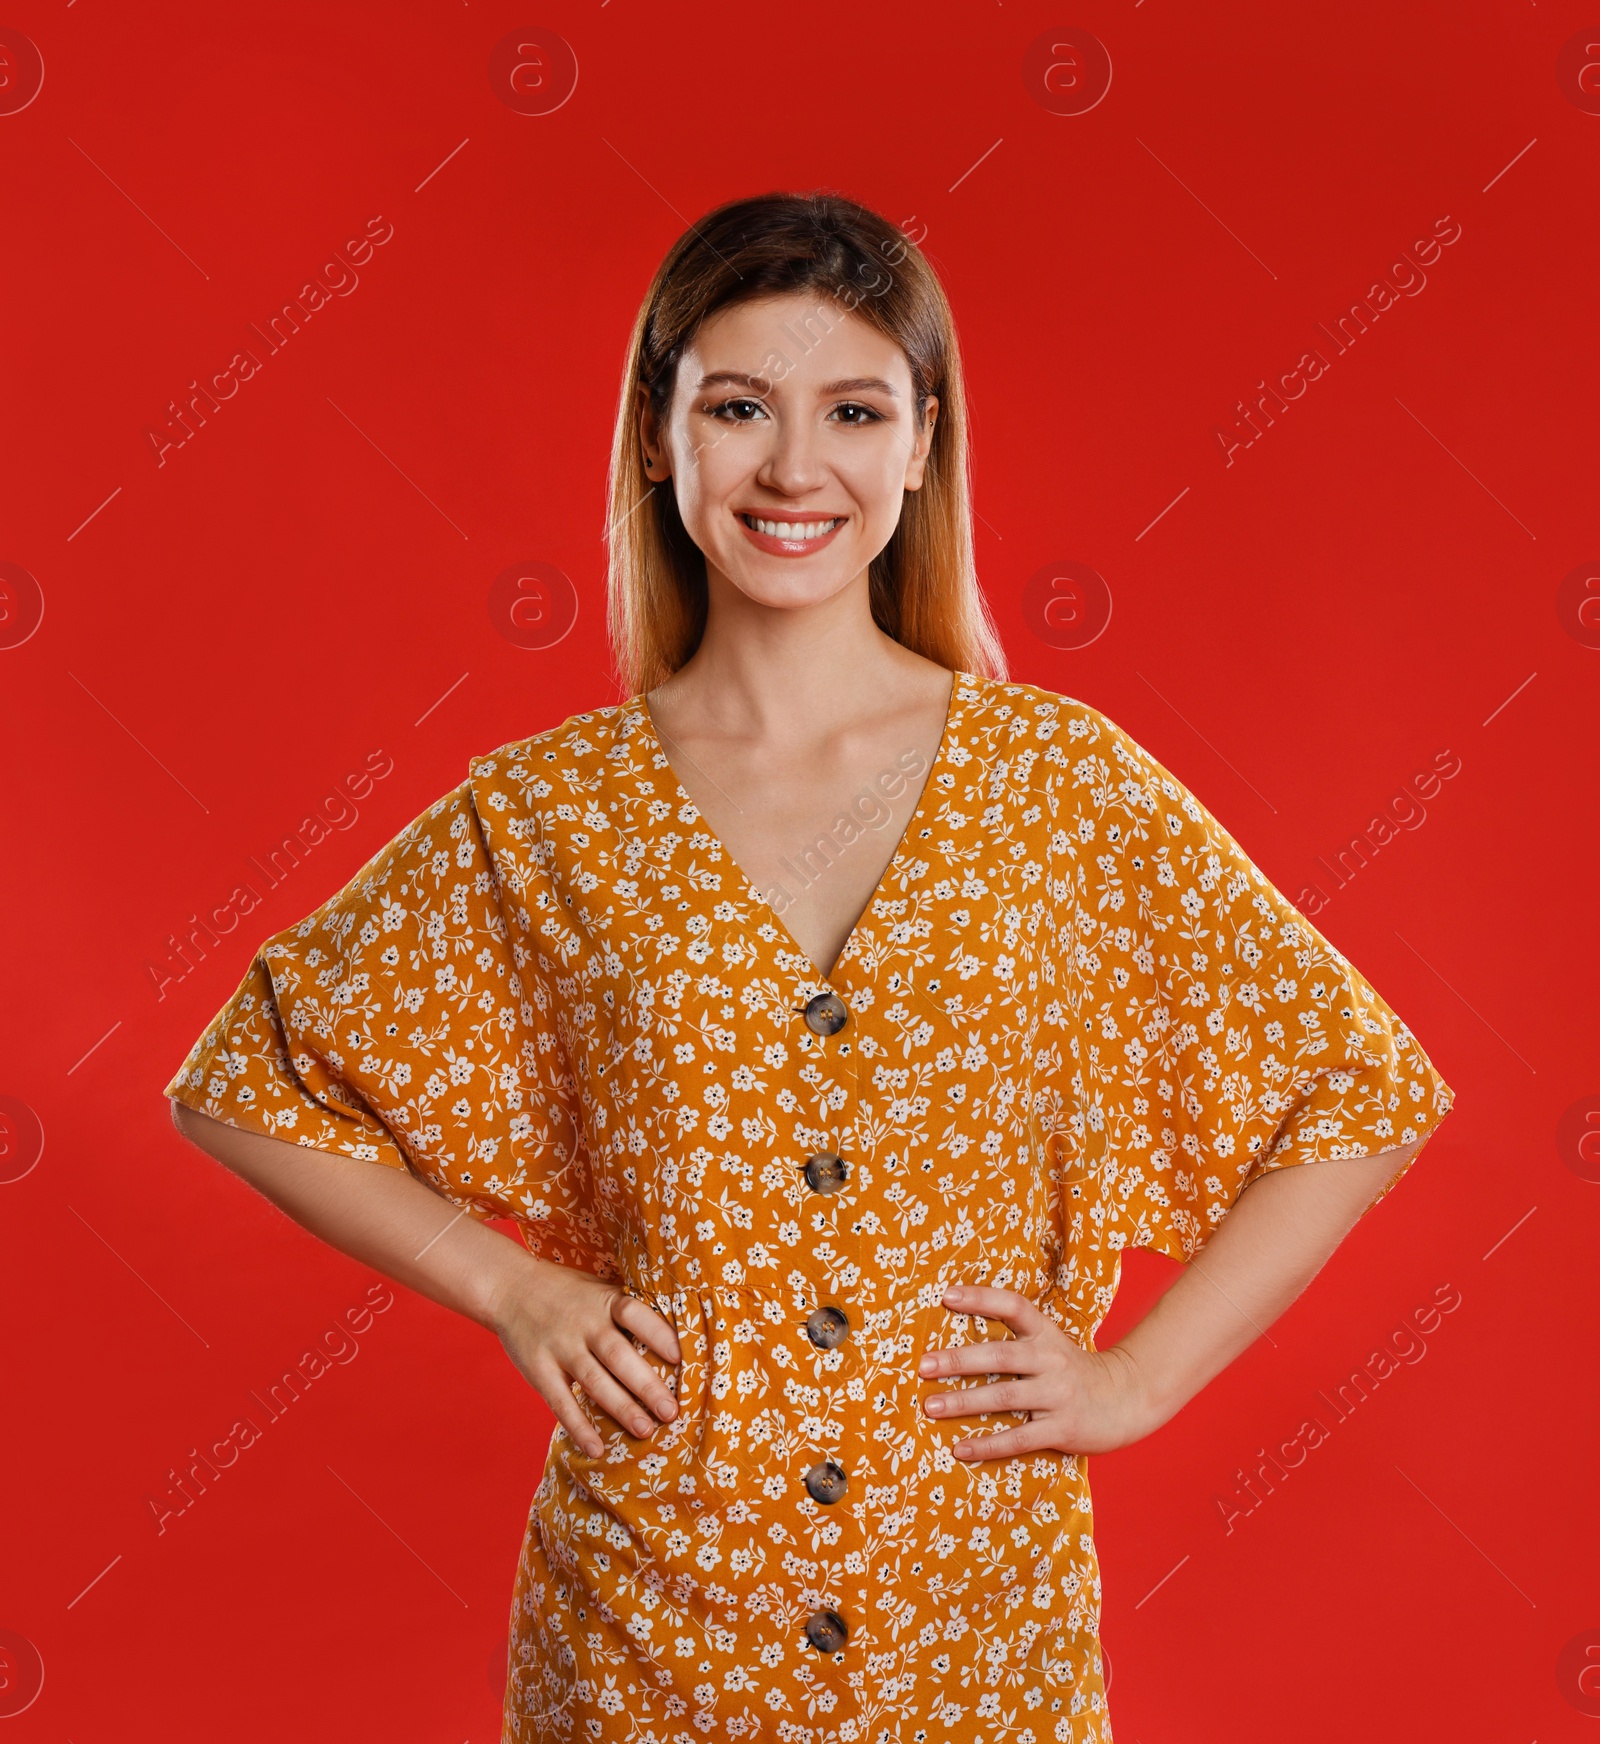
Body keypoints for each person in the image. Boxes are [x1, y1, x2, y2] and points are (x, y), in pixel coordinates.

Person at [166, 190, 1455, 1744]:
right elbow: (251, 1079)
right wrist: (512, 1289)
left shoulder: (1060, 787)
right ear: (661, 440)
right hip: (650, 1633)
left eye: (853, 409)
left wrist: (1142, 1379)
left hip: (979, 1642)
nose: (793, 466)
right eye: (737, 407)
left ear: (921, 447)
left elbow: (1356, 1087)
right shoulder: (549, 816)